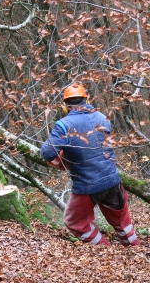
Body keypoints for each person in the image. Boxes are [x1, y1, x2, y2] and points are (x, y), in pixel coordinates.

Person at [40, 83, 140, 246]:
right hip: (112, 180)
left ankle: (104, 249)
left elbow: (47, 153)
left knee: (75, 223)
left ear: (66, 105)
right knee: (122, 222)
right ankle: (136, 251)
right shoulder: (103, 118)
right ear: (86, 100)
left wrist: (63, 155)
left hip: (86, 186)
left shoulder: (64, 125)